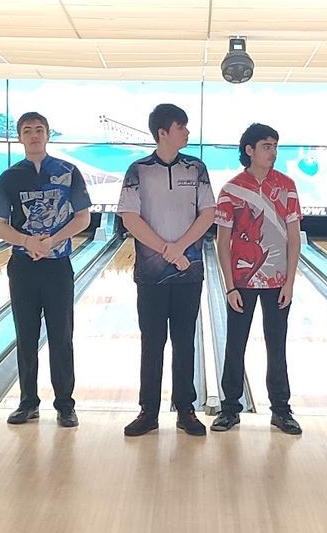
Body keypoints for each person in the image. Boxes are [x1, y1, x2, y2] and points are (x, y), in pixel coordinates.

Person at [118, 102, 216, 438]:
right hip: (151, 273)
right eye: (181, 126)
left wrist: (180, 247)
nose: (187, 132)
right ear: (163, 132)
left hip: (190, 271)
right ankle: (148, 411)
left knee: (185, 340)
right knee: (153, 341)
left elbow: (207, 214)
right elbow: (130, 217)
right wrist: (166, 249)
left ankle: (185, 409)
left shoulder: (197, 168)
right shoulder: (138, 170)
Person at [0, 110, 92, 428]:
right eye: (27, 130)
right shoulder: (10, 177)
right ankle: (27, 402)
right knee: (26, 335)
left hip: (57, 264)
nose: (34, 135)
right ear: (20, 137)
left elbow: (82, 217)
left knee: (62, 336)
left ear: (47, 135)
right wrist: (27, 241)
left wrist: (51, 241)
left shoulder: (68, 171)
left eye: (39, 129)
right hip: (22, 266)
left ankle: (65, 405)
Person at [211, 121, 303, 436]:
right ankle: (229, 409)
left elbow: (294, 237)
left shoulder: (287, 186)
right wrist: (229, 286)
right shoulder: (231, 190)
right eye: (266, 146)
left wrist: (290, 282)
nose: (273, 152)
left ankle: (281, 410)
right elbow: (222, 242)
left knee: (277, 346)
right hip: (243, 281)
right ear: (249, 150)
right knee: (235, 346)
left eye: (275, 146)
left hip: (278, 282)